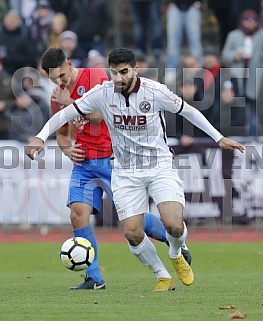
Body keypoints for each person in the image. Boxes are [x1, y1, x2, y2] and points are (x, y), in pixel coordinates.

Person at [27, 48, 243, 292]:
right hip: (121, 169)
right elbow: (64, 118)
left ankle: (176, 251)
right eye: (115, 73)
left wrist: (219, 137)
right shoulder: (103, 92)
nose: (118, 78)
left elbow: (189, 111)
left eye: (123, 72)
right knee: (129, 230)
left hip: (156, 164)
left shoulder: (152, 91)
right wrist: (41, 138)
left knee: (173, 224)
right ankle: (159, 275)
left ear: (135, 70)